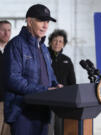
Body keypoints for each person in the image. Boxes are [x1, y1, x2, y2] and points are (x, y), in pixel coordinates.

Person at [3, 4, 63, 135]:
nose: (45, 25)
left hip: (43, 111)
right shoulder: (16, 45)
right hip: (23, 113)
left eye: (47, 21)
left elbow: (50, 75)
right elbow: (12, 79)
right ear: (30, 22)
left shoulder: (44, 49)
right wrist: (44, 90)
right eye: (41, 21)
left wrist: (55, 85)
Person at [48, 29, 76, 135]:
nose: (57, 43)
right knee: (48, 128)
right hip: (47, 98)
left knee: (60, 128)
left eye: (60, 41)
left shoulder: (67, 60)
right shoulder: (44, 56)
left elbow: (72, 82)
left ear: (63, 44)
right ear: (50, 42)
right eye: (55, 40)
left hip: (62, 100)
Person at [0, 20, 11, 135]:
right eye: (3, 30)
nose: (6, 33)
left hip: (10, 101)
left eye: (8, 30)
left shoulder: (12, 51)